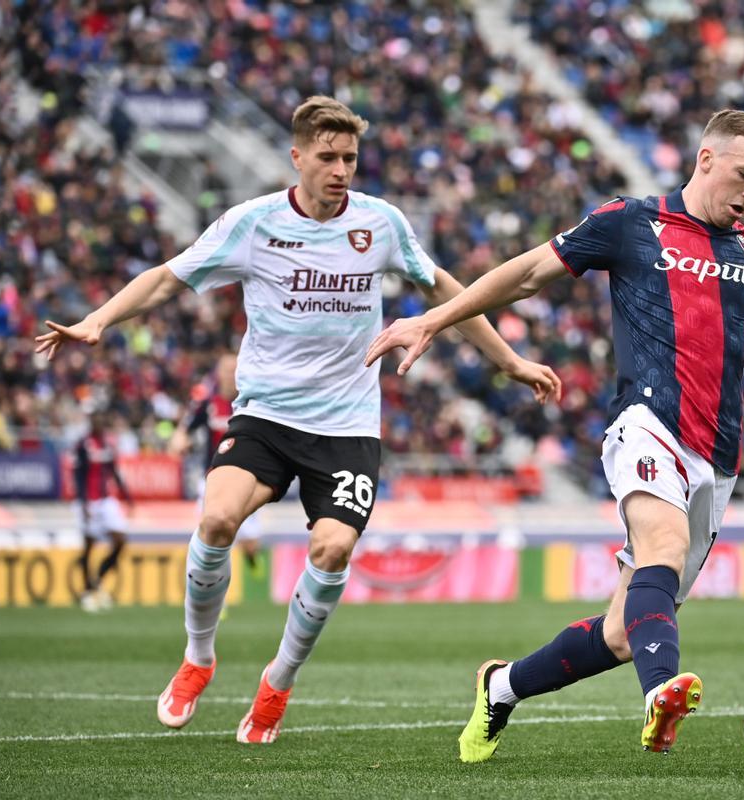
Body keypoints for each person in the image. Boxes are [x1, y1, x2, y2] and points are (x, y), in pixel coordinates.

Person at [35, 95, 561, 744]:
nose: (341, 169)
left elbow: (445, 290)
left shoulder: (382, 224)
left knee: (332, 546)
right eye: (328, 157)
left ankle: (277, 682)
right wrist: (98, 320)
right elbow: (169, 279)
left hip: (347, 427)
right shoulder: (251, 224)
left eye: (350, 158)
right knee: (218, 517)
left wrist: (508, 360)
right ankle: (199, 657)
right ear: (298, 157)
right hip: (266, 415)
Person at [366, 109, 744, 759]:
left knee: (621, 633)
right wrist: (434, 320)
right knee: (660, 545)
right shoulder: (630, 223)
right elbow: (525, 274)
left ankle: (503, 686)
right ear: (706, 159)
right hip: (646, 425)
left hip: (718, 455)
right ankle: (660, 694)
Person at [169, 352, 266, 581]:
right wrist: (180, 438)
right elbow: (185, 428)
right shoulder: (208, 404)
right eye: (225, 369)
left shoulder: (252, 403)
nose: (230, 374)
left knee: (250, 543)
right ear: (218, 373)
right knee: (211, 534)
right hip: (212, 479)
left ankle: (251, 558)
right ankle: (209, 590)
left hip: (246, 480)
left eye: (234, 369)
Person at [74, 409, 133, 612]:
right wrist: (82, 504)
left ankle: (98, 577)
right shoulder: (83, 444)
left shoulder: (108, 443)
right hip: (89, 501)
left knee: (121, 540)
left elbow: (114, 471)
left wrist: (127, 496)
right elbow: (78, 475)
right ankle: (88, 591)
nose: (99, 423)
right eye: (96, 420)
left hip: (107, 500)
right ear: (91, 423)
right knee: (88, 547)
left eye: (101, 420)